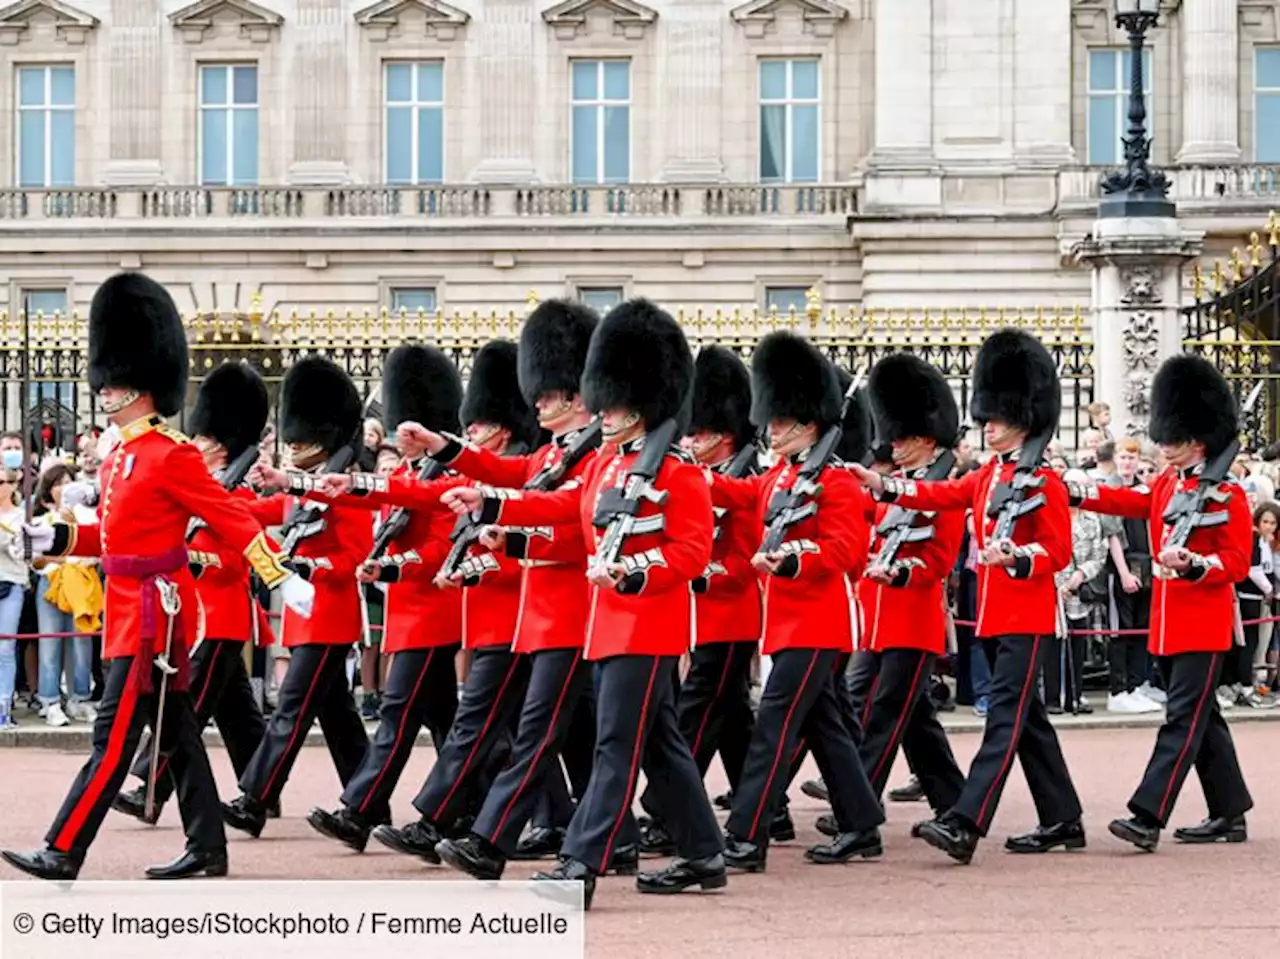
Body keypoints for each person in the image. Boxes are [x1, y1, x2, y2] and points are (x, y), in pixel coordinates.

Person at [0, 271, 306, 882]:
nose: (104, 389)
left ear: (136, 384)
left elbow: (233, 517)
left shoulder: (172, 454)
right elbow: (109, 539)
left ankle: (64, 849)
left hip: (153, 613)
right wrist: (53, 538)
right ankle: (209, 848)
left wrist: (278, 576)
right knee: (177, 736)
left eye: (111, 380)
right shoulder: (120, 456)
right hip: (125, 606)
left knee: (112, 740)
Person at [441, 299, 726, 908]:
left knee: (614, 747)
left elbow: (692, 552)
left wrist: (635, 573)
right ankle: (705, 852)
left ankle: (580, 864)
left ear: (644, 401)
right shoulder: (603, 463)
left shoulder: (679, 472)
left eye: (617, 402)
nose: (606, 411)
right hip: (607, 627)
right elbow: (560, 511)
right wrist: (490, 505)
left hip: (648, 626)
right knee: (661, 746)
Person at [376, 300, 604, 868]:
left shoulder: (594, 454)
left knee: (542, 733)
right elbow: (507, 474)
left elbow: (566, 512)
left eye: (549, 394)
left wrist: (499, 511)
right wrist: (442, 447)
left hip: (571, 612)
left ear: (576, 395)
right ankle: (614, 836)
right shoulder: (556, 452)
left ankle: (484, 836)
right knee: (578, 735)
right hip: (538, 616)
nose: (539, 402)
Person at [849, 328, 1083, 864]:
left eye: (997, 417)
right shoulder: (986, 477)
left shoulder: (1043, 480)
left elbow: (1058, 552)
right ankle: (1063, 816)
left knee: (1003, 719)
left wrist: (1019, 559)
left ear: (1023, 419)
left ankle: (966, 821)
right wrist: (884, 486)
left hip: (1028, 615)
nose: (988, 424)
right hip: (996, 616)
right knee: (1028, 724)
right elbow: (939, 493)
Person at [302, 341, 536, 853]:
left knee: (408, 716)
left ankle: (363, 810)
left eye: (477, 426)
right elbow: (405, 497)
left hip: (443, 610)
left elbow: (437, 547)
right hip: (435, 614)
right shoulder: (416, 475)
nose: (471, 432)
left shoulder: (470, 473)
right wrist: (334, 484)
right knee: (469, 728)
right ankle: (479, 810)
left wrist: (392, 565)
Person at [706, 332, 884, 872]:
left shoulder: (835, 481)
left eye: (781, 422)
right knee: (826, 728)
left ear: (809, 424)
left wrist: (794, 558)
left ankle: (746, 833)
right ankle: (861, 826)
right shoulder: (781, 476)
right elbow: (740, 494)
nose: (771, 429)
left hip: (818, 623)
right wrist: (689, 475)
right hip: (787, 625)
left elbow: (847, 551)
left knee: (773, 728)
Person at [1070, 355, 1253, 851]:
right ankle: (1230, 811)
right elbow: (1133, 501)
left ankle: (1147, 815)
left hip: (1205, 623)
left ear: (1198, 442)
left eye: (1172, 442)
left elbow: (1236, 563)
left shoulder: (1228, 495)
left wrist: (1194, 563)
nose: (1163, 449)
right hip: (1169, 622)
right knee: (1202, 719)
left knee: (1182, 720)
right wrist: (1080, 495)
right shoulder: (1170, 484)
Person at [110, 361, 280, 826]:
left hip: (220, 617)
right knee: (239, 716)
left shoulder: (236, 494)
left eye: (203, 440)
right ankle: (261, 791)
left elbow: (231, 562)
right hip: (200, 612)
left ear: (221, 449)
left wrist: (181, 557)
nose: (194, 444)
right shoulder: (196, 485)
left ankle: (152, 786)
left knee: (184, 712)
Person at [221, 356, 373, 840]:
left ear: (323, 439)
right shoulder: (301, 487)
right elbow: (266, 511)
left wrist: (312, 567)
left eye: (301, 441)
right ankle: (372, 805)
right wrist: (215, 499)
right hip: (305, 616)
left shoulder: (345, 488)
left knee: (290, 709)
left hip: (331, 615)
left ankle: (255, 798)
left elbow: (356, 554)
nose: (294, 448)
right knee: (339, 721)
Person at [628, 346, 769, 856]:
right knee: (731, 717)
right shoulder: (706, 476)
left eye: (700, 433)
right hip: (702, 616)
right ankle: (766, 809)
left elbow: (746, 556)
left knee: (696, 713)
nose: (691, 440)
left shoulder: (743, 481)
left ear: (723, 436)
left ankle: (666, 811)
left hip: (730, 615)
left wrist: (705, 576)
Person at [817, 353, 966, 834]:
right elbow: (857, 515)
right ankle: (957, 802)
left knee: (883, 714)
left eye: (901, 438)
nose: (893, 445)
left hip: (913, 618)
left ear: (925, 440)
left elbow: (939, 561)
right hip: (878, 617)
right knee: (914, 722)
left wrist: (901, 573)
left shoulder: (940, 490)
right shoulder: (894, 488)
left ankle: (854, 808)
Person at [31, 463, 100, 726]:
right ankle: (49, 700)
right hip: (51, 584)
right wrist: (61, 558)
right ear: (48, 490)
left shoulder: (88, 517)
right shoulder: (41, 519)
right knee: (50, 643)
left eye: (69, 481)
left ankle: (79, 698)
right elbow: (35, 559)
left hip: (82, 585)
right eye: (57, 483)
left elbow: (95, 552)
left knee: (81, 643)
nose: (63, 488)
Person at [1045, 469, 1106, 716]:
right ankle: (1051, 697)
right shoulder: (1051, 515)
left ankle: (1074, 695)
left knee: (1078, 647)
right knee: (1052, 648)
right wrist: (1059, 585)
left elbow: (1099, 554)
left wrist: (1080, 575)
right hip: (1054, 590)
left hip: (1078, 590)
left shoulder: (1092, 520)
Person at [1109, 436, 1162, 713]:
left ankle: (1136, 683)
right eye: (1123, 457)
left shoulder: (1143, 491)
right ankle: (1119, 689)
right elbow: (1112, 535)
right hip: (1121, 567)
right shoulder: (1110, 488)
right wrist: (1124, 573)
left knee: (1142, 628)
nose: (1128, 463)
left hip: (1145, 562)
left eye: (1132, 457)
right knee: (1122, 630)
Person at [0, 464, 29, 730]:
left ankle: (3, 707)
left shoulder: (20, 516)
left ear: (11, 486)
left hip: (11, 583)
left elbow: (24, 553)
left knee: (6, 647)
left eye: (1, 483)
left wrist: (6, 543)